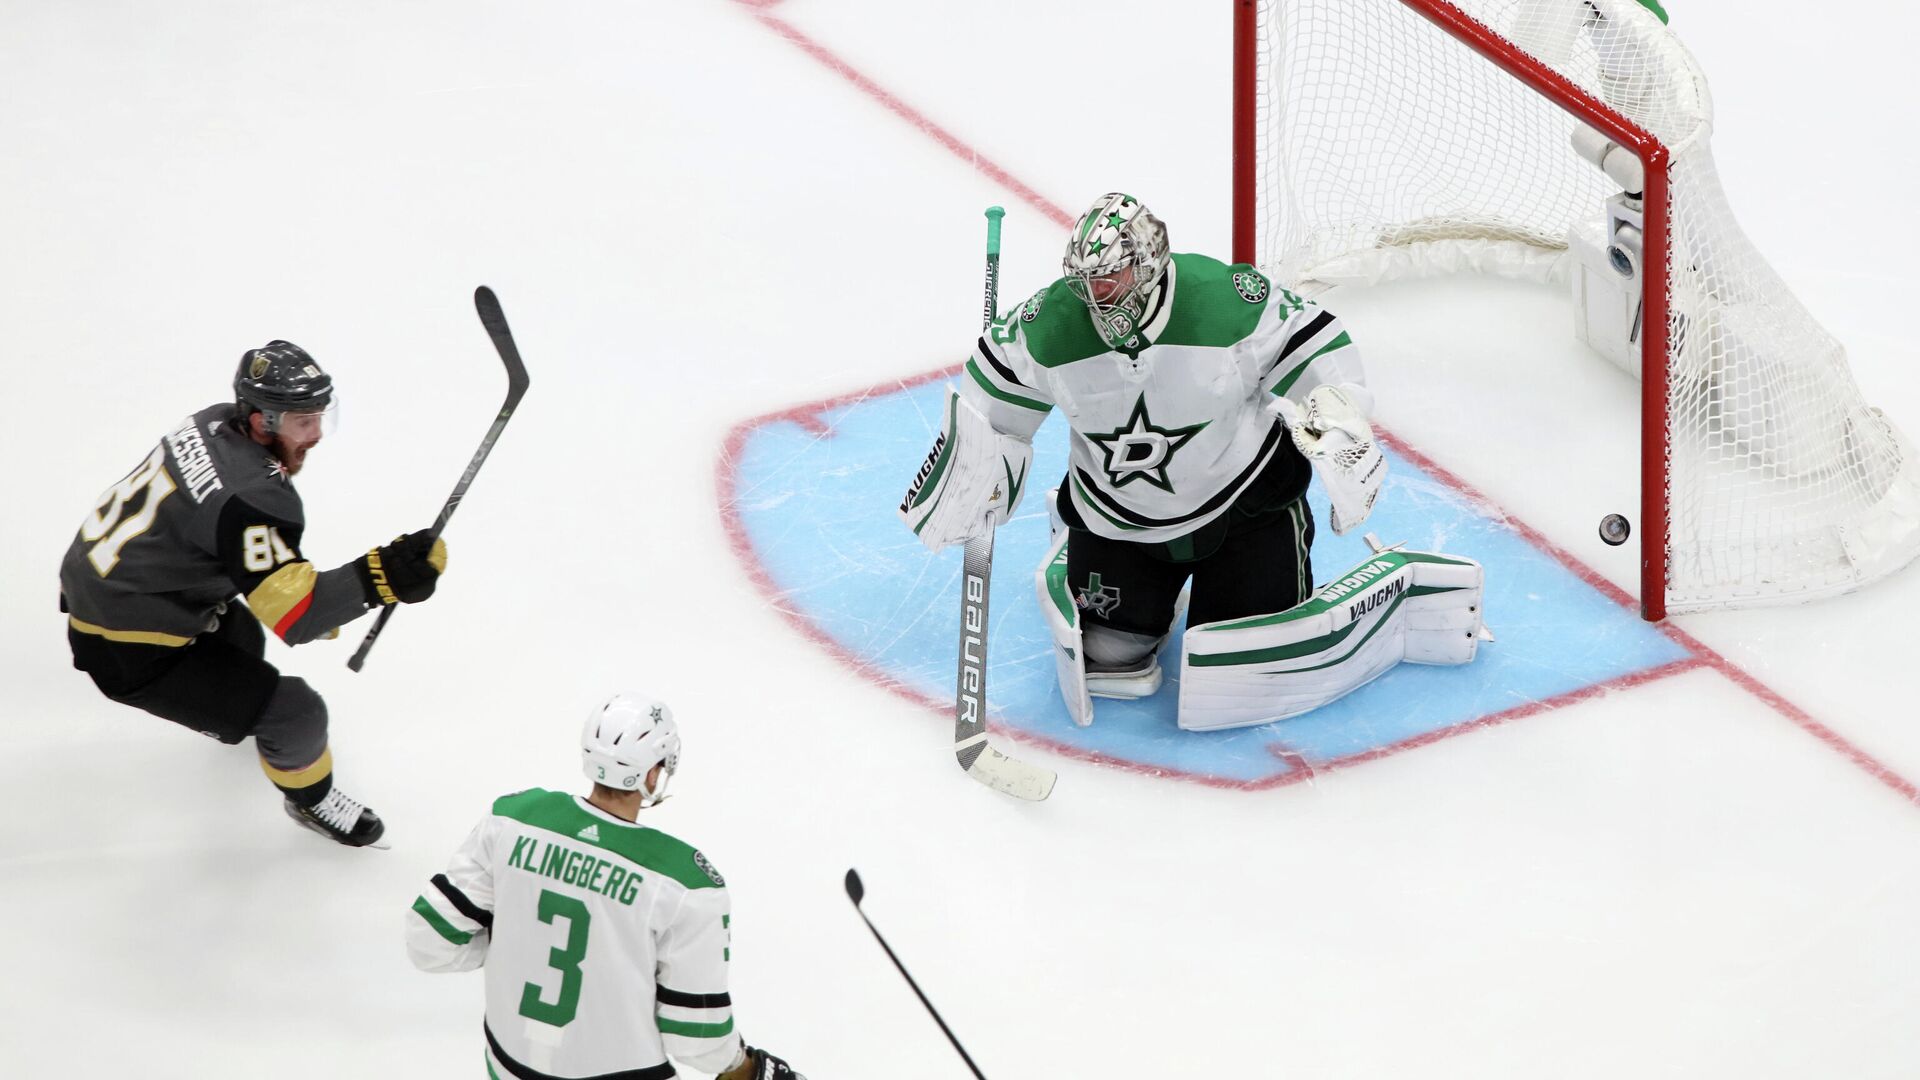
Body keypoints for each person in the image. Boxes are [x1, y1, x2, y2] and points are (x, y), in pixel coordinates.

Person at [898, 192, 1388, 727]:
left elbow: (1314, 344)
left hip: (1242, 509)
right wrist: (981, 469)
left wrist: (1339, 420)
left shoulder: (1224, 301)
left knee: (1241, 662)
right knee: (1110, 659)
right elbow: (991, 404)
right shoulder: (1050, 324)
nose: (1097, 296)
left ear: (1150, 264)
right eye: (1085, 282)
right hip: (1117, 517)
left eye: (1112, 278)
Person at [59, 340, 446, 847]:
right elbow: (301, 617)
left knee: (243, 640)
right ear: (262, 421)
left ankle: (238, 716)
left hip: (110, 585)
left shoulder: (212, 421)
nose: (317, 434)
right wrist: (383, 577)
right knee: (297, 712)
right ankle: (311, 800)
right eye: (303, 421)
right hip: (127, 646)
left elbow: (219, 536)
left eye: (321, 416)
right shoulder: (252, 497)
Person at [406, 693, 805, 1080]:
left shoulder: (511, 820)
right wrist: (745, 1068)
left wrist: (511, 945)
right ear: (652, 772)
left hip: (507, 1063)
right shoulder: (685, 885)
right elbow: (695, 1038)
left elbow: (429, 943)